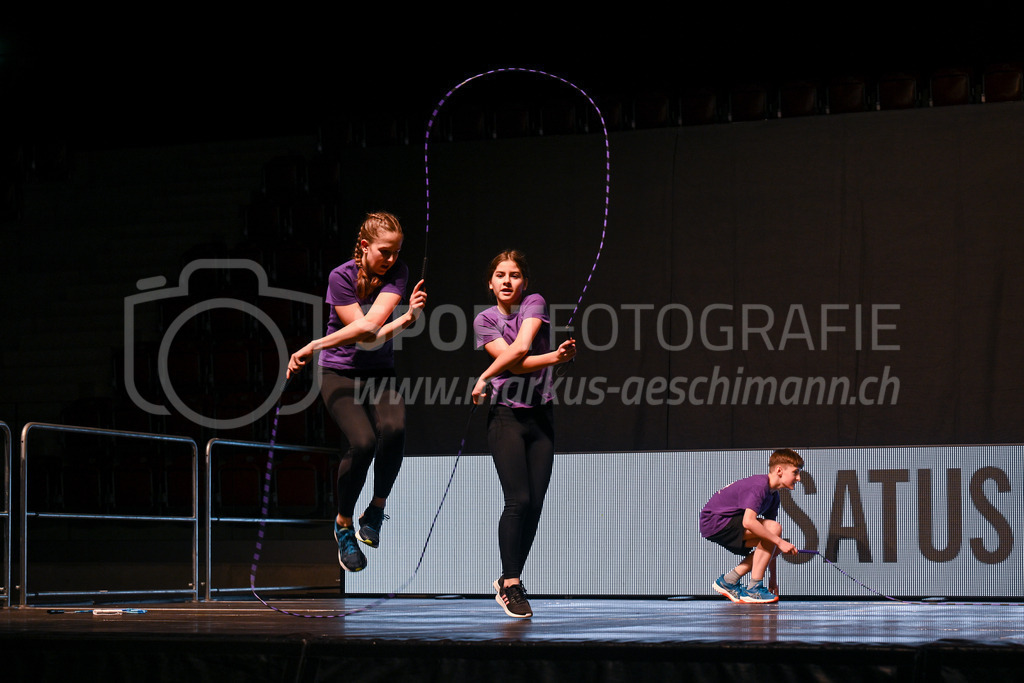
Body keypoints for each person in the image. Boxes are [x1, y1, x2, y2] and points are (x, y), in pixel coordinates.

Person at [288, 211, 426, 573]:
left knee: (394, 429)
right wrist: (315, 347)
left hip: (379, 372)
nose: (392, 259)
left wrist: (402, 320)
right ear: (364, 247)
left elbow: (372, 330)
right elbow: (365, 332)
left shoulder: (398, 273)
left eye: (397, 252)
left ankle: (376, 510)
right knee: (363, 442)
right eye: (385, 252)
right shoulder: (340, 277)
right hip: (339, 373)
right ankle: (344, 524)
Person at [471, 249, 577, 618]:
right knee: (517, 499)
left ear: (524, 283)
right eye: (500, 274)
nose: (507, 281)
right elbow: (514, 362)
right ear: (490, 282)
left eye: (514, 275)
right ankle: (512, 583)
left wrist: (485, 376)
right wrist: (555, 359)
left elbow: (523, 347)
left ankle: (508, 580)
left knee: (535, 504)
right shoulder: (484, 320)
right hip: (505, 418)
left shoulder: (534, 302)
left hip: (541, 417)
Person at [699, 448, 804, 604]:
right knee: (775, 533)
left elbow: (772, 541)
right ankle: (753, 589)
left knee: (774, 536)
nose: (799, 478)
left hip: (727, 523)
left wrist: (772, 580)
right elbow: (748, 522)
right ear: (779, 470)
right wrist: (780, 543)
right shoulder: (759, 485)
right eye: (795, 472)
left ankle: (729, 581)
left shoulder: (774, 496)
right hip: (715, 521)